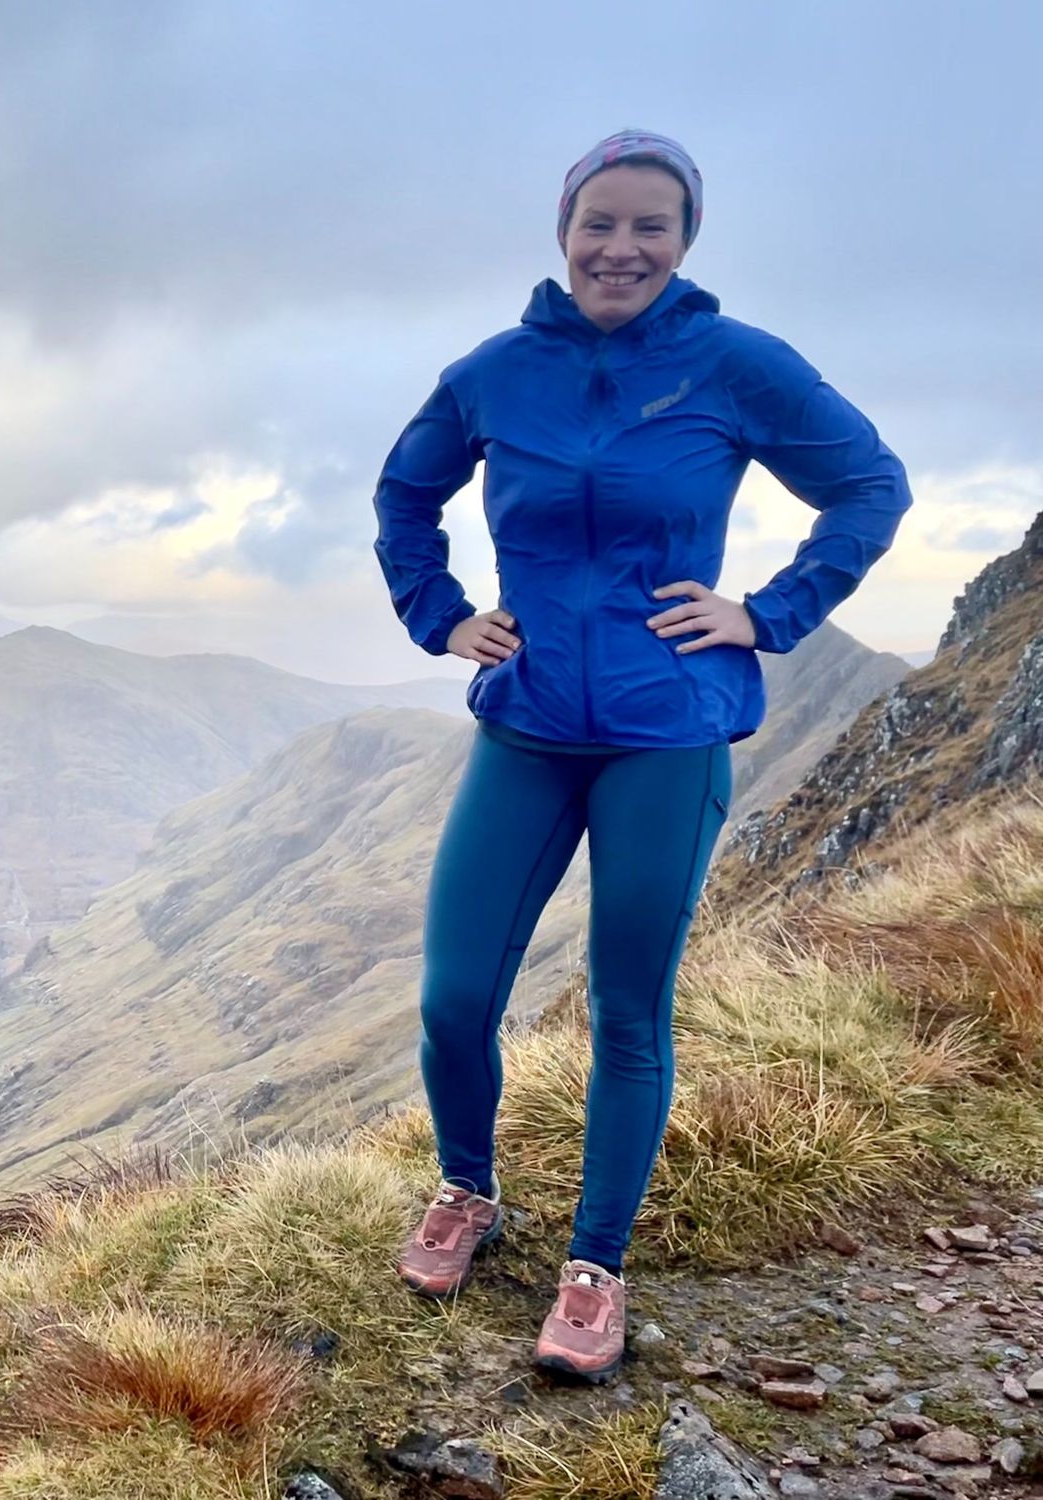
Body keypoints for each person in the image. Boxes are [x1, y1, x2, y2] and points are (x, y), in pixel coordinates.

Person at [371, 129, 912, 1383]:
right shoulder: (494, 374)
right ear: (562, 234)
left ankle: (592, 1268)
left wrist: (765, 614)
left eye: (648, 226)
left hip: (665, 733)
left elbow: (869, 487)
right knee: (455, 1000)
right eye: (598, 223)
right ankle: (467, 1190)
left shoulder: (733, 364)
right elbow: (405, 497)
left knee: (626, 1010)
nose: (620, 247)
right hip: (525, 724)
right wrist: (440, 618)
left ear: (683, 241)